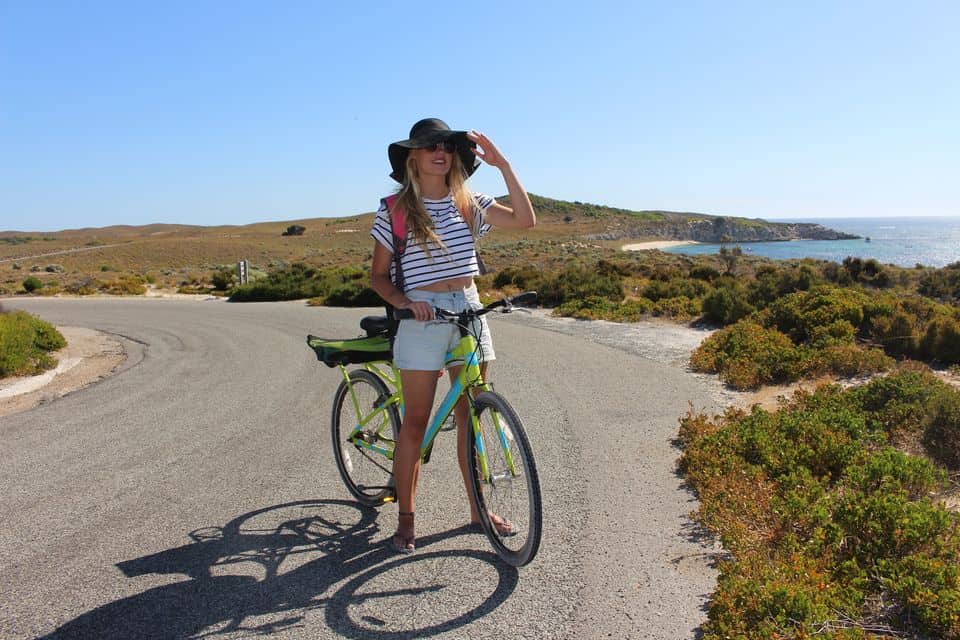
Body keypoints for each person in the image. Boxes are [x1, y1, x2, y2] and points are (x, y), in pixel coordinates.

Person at [370, 118, 536, 553]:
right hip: (421, 315)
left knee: (470, 417)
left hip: (467, 307)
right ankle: (406, 519)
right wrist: (406, 303)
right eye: (429, 147)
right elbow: (379, 278)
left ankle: (478, 510)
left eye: (445, 146)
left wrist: (503, 165)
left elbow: (525, 220)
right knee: (417, 423)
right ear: (413, 157)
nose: (439, 152)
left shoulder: (470, 201)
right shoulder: (395, 210)